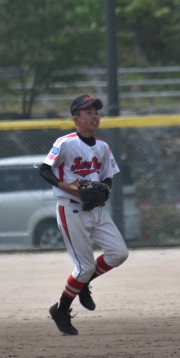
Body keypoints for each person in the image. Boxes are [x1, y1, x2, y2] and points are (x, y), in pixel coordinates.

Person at [38, 94, 129, 335]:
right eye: (88, 112)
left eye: (96, 112)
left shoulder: (102, 146)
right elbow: (44, 170)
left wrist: (105, 190)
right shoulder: (65, 143)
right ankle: (61, 310)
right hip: (71, 209)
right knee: (84, 266)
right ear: (76, 119)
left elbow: (108, 176)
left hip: (95, 209)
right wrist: (65, 186)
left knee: (119, 253)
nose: (95, 116)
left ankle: (83, 283)